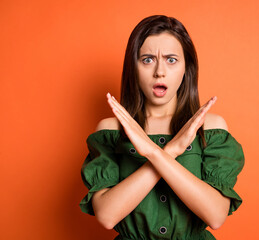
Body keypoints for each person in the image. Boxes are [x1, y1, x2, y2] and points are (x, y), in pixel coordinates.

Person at [79, 15, 245, 240]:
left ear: (187, 67)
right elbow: (107, 216)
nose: (159, 71)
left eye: (171, 59)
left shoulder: (211, 128)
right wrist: (168, 153)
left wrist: (154, 154)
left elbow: (215, 216)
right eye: (147, 59)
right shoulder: (110, 131)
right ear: (133, 67)